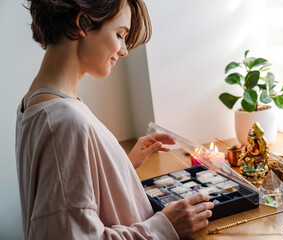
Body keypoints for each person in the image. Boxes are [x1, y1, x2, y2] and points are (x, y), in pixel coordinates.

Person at [16, 0, 214, 239]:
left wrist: (122, 166)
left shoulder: (35, 101)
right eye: (120, 34)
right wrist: (164, 227)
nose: (124, 50)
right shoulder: (64, 120)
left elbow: (66, 198)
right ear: (83, 24)